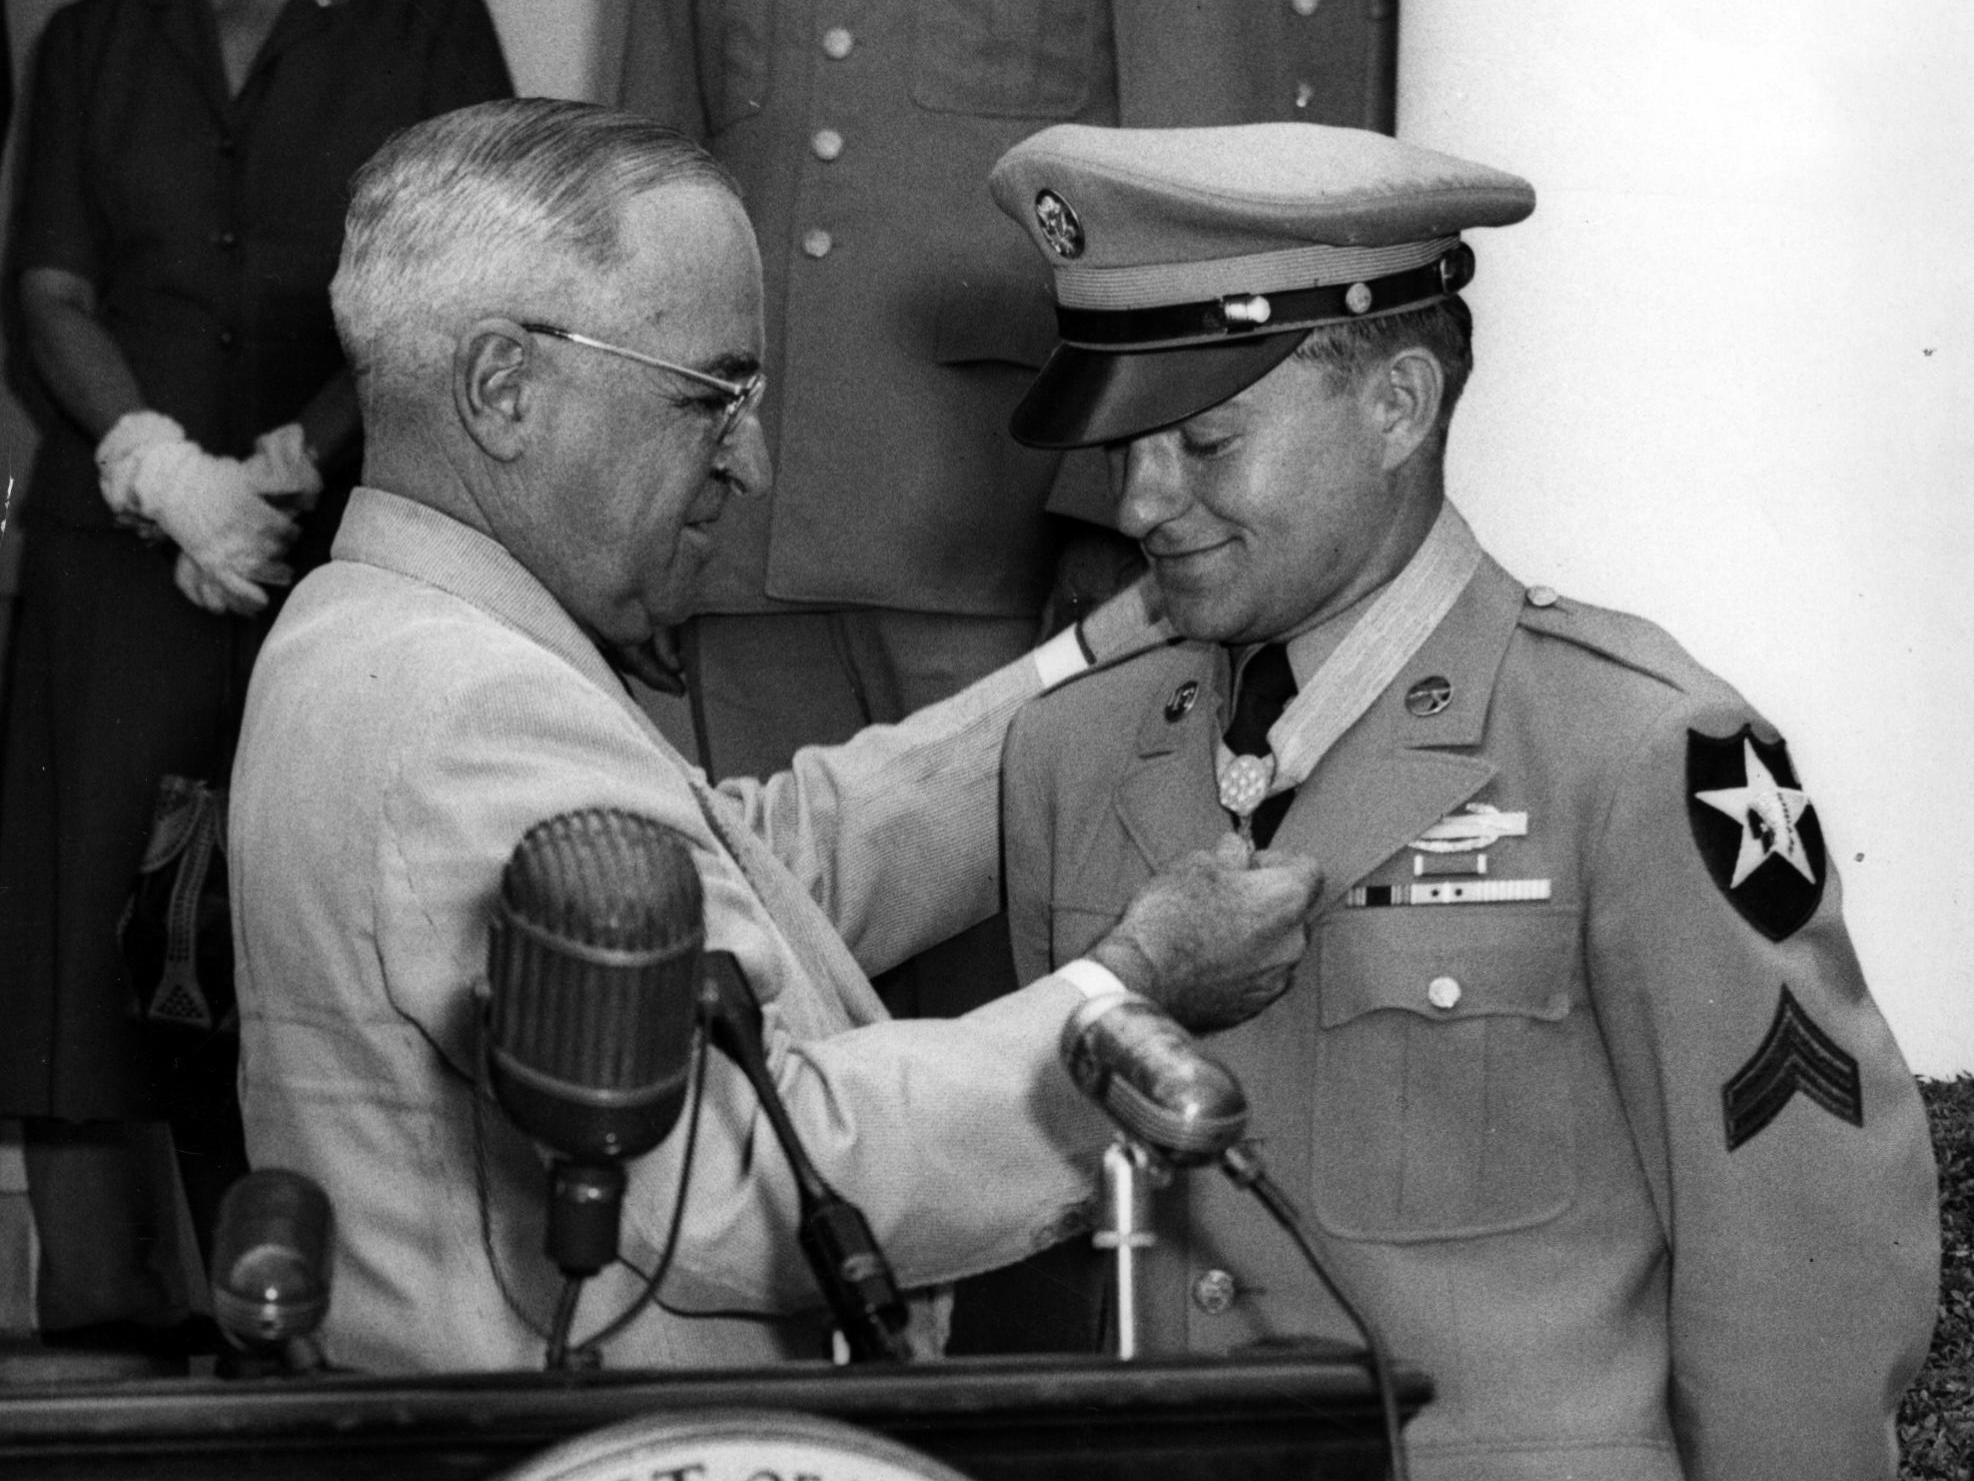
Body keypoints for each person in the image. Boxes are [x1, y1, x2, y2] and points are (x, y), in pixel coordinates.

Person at [226, 98, 1324, 1375]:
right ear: (503, 388)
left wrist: (1099, 656)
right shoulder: (468, 708)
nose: (749, 460)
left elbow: (749, 873)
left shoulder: (388, 634)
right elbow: (739, 1169)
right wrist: (1131, 991)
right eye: (715, 392)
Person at [992, 122, 1939, 1480]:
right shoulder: (1070, 758)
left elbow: (1801, 1290)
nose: (1141, 503)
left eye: (1200, 442)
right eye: (1117, 451)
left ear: (1396, 406)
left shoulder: (1635, 751)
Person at [0, 0, 510, 1360]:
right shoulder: (97, 37)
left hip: (337, 540)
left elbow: (465, 273)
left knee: (302, 919)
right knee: (86, 958)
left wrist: (297, 457)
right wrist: (160, 468)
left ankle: (315, 1343)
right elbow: (47, 287)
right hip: (115, 549)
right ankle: (101, 1339)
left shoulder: (428, 33)